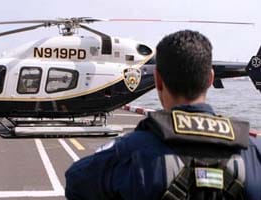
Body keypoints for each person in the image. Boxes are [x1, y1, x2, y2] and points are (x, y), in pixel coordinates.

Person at [65, 30, 261, 200]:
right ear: (210, 79)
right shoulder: (253, 153)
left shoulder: (129, 154)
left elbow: (75, 182)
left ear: (158, 80)